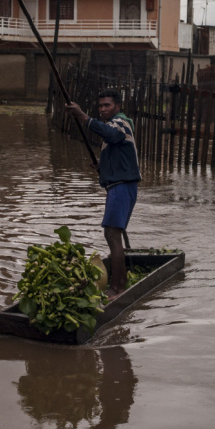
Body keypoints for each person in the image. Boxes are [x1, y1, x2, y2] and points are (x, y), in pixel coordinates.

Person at [64, 89, 140, 298]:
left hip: (122, 186)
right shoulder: (114, 126)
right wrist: (102, 166)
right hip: (118, 185)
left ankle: (118, 288)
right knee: (113, 234)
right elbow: (118, 152)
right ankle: (119, 282)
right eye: (100, 106)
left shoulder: (120, 122)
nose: (103, 109)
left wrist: (82, 116)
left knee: (112, 234)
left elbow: (111, 134)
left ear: (117, 107)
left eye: (107, 105)